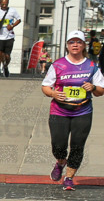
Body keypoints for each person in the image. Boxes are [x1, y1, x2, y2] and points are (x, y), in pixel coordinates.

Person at [40, 30, 104, 191]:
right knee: (58, 145)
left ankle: (69, 178)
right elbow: (45, 86)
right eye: (72, 42)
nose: (75, 45)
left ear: (84, 45)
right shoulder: (58, 65)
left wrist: (93, 87)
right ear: (67, 45)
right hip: (59, 111)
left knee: (77, 146)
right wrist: (53, 93)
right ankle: (61, 162)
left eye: (79, 42)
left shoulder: (91, 66)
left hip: (83, 111)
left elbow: (100, 91)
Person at [0, 0, 21, 78]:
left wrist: (12, 25)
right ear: (0, 3)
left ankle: (5, 66)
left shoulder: (12, 11)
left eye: (5, 4)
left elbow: (19, 19)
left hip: (9, 36)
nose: (4, 5)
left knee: (7, 56)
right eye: (2, 4)